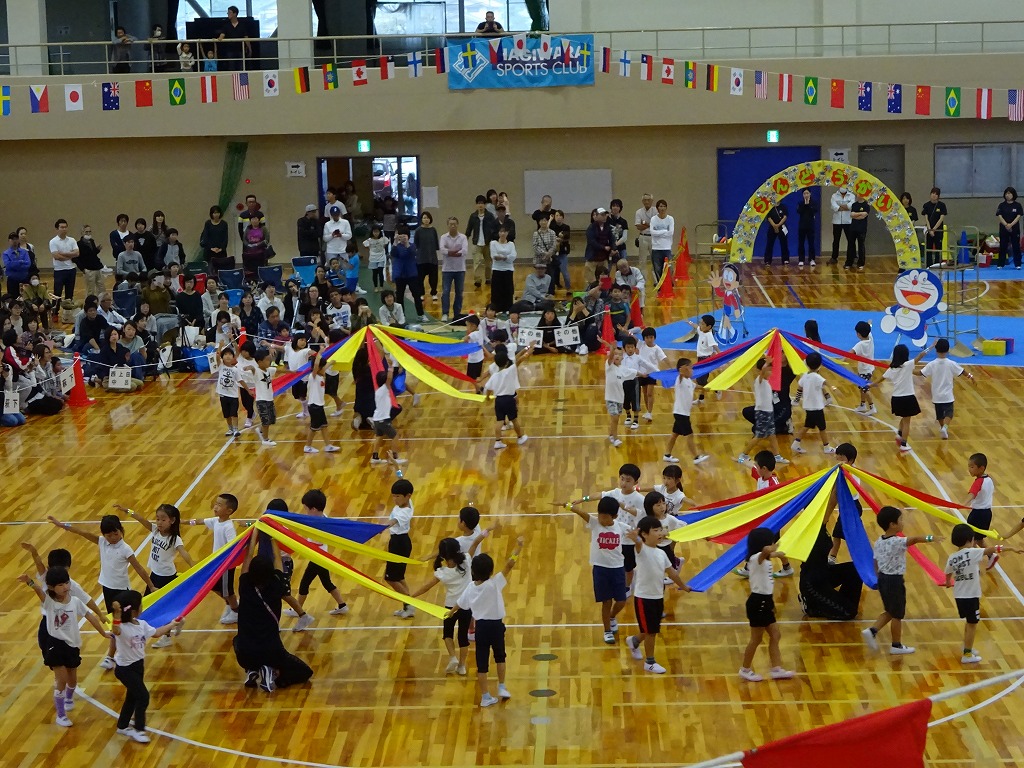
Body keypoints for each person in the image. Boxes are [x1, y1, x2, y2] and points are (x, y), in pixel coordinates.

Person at [46, 513, 155, 670]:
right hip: (107, 589)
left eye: (115, 533)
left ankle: (112, 656)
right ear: (104, 535)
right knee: (115, 625)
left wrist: (150, 585)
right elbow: (81, 532)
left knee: (120, 625)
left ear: (121, 530)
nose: (112, 538)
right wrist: (62, 525)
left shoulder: (126, 549)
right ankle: (117, 654)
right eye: (108, 535)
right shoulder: (102, 542)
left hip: (121, 592)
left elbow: (138, 567)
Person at [17, 568, 109, 728]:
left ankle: (68, 697)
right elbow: (39, 591)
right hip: (55, 644)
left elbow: (90, 617)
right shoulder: (49, 603)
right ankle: (61, 715)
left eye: (66, 583)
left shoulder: (75, 602)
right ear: (52, 587)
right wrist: (29, 581)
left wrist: (103, 633)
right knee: (62, 679)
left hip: (72, 645)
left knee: (72, 680)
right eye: (60, 584)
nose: (65, 587)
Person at [234, 533, 314, 692]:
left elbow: (248, 558)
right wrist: (273, 537)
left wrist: (254, 538)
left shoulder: (245, 585)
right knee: (305, 672)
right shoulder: (276, 584)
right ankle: (271, 671)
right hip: (271, 650)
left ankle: (252, 669)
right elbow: (278, 561)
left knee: (238, 641)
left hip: (244, 650)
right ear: (271, 571)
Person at [453, 537, 526, 707]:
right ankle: (501, 686)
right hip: (496, 626)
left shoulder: (471, 588)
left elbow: (459, 604)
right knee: (500, 656)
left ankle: (485, 696)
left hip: (481, 629)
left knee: (482, 663)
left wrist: (449, 613)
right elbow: (509, 565)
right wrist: (518, 548)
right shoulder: (494, 584)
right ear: (490, 571)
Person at [861, 506, 942, 655]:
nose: (903, 522)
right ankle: (896, 645)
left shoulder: (879, 541)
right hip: (894, 581)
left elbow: (875, 562)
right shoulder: (897, 542)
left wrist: (879, 578)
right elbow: (915, 539)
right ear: (893, 524)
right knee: (897, 614)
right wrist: (931, 538)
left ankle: (873, 630)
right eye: (900, 520)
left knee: (890, 611)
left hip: (883, 579)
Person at [109, 592, 181, 743]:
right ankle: (139, 729)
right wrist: (116, 613)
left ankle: (122, 726)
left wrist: (172, 624)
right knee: (143, 696)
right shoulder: (121, 627)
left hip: (138, 666)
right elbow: (115, 630)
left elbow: (155, 633)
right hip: (125, 669)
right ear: (134, 610)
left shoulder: (141, 624)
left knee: (132, 697)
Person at [944, 524, 1019, 664]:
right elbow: (992, 549)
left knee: (969, 622)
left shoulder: (952, 557)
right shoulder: (973, 552)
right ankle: (967, 654)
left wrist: (948, 582)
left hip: (959, 596)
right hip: (971, 596)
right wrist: (1011, 548)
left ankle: (967, 648)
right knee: (973, 624)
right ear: (970, 539)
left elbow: (948, 572)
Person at [625, 517, 691, 674]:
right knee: (651, 631)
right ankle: (650, 662)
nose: (660, 533)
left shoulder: (662, 553)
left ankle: (633, 641)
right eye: (655, 530)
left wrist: (683, 586)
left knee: (651, 628)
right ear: (645, 535)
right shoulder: (640, 550)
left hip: (657, 597)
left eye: (660, 529)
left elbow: (672, 573)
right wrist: (636, 539)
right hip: (643, 597)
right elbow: (639, 544)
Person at [566, 495, 627, 644]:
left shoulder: (621, 527)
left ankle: (612, 616)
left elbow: (638, 532)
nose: (601, 519)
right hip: (600, 569)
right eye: (599, 515)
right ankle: (607, 630)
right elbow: (583, 514)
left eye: (605, 517)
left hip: (618, 568)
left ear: (614, 516)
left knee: (621, 601)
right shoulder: (595, 524)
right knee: (606, 601)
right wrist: (569, 507)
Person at [409, 538, 473, 675]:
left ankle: (452, 657)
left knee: (447, 634)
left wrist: (411, 597)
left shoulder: (442, 573)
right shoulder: (467, 560)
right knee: (463, 637)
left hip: (450, 608)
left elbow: (426, 587)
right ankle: (462, 666)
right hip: (467, 606)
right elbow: (474, 544)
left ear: (443, 555)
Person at [738, 527, 794, 682]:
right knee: (756, 639)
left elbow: (771, 553)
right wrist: (774, 548)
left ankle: (776, 668)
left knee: (775, 635)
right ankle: (745, 669)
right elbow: (766, 552)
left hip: (765, 601)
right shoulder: (756, 558)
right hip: (758, 603)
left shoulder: (763, 558)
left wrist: (780, 553)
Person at [186, 494, 240, 623]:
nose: (215, 507)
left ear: (229, 511)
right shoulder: (216, 521)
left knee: (228, 591)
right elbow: (200, 521)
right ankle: (231, 604)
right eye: (216, 503)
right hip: (216, 563)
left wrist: (225, 561)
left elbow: (233, 546)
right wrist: (182, 522)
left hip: (226, 565)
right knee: (213, 586)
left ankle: (236, 611)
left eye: (219, 505)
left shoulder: (228, 527)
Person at [736, 358, 790, 465]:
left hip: (768, 412)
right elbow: (762, 372)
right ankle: (743, 455)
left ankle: (777, 456)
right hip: (762, 413)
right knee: (759, 436)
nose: (771, 372)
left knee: (772, 435)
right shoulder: (759, 381)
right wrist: (767, 363)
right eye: (769, 370)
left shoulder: (767, 382)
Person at [917, 338, 974, 438]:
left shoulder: (932, 364)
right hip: (947, 395)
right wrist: (971, 376)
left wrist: (908, 371)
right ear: (948, 350)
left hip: (936, 395)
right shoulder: (951, 363)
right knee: (949, 413)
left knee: (939, 415)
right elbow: (962, 371)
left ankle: (943, 428)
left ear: (936, 349)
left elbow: (921, 373)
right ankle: (945, 428)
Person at [480, 342, 532, 449]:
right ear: (506, 362)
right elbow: (519, 360)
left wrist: (487, 397)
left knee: (499, 421)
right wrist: (528, 351)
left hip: (498, 401)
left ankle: (498, 441)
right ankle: (520, 437)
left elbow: (488, 388)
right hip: (509, 399)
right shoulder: (510, 370)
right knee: (514, 419)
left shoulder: (494, 376)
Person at [662, 357, 710, 464]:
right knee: (690, 434)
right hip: (680, 413)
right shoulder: (680, 380)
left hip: (684, 413)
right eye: (691, 368)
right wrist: (681, 372)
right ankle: (696, 457)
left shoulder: (689, 381)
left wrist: (706, 388)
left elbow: (697, 386)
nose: (692, 370)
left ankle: (667, 455)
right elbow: (680, 377)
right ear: (684, 369)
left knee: (674, 434)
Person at [874, 343, 919, 453]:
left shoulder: (891, 369)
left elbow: (881, 379)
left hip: (896, 398)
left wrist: (871, 384)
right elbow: (920, 356)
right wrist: (931, 347)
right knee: (907, 421)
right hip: (907, 397)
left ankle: (899, 434)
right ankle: (903, 444)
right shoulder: (908, 365)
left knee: (904, 418)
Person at [790, 352, 835, 455]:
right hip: (816, 407)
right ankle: (827, 447)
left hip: (808, 406)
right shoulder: (817, 377)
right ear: (819, 365)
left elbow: (799, 388)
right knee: (822, 427)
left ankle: (796, 443)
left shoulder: (805, 376)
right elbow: (825, 382)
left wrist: (796, 400)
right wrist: (834, 388)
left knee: (807, 425)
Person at [384, 478, 417, 617]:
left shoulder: (404, 512)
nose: (394, 499)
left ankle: (409, 604)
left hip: (399, 544)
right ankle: (407, 606)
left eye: (397, 496)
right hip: (400, 542)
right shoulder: (408, 501)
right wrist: (396, 466)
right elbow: (401, 478)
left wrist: (379, 528)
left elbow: (393, 522)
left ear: (407, 496)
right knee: (399, 577)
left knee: (390, 578)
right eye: (393, 496)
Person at [304, 350, 340, 454]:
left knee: (324, 426)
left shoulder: (320, 376)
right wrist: (318, 357)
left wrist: (330, 363)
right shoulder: (313, 377)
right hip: (314, 406)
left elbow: (322, 368)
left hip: (319, 406)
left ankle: (328, 445)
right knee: (314, 427)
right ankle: (307, 446)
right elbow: (316, 367)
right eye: (322, 367)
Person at [964, 452, 997, 567]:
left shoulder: (979, 481)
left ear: (981, 468)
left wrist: (962, 504)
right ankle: (991, 555)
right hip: (987, 513)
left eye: (972, 467)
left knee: (971, 540)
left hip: (977, 514)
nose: (969, 469)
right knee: (979, 539)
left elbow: (972, 494)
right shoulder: (989, 479)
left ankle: (974, 565)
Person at [370, 369, 406, 466]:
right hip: (383, 420)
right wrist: (391, 367)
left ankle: (375, 457)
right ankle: (394, 458)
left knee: (379, 437)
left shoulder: (378, 391)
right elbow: (389, 378)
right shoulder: (384, 389)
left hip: (376, 419)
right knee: (395, 436)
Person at [604, 346, 637, 448]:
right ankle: (615, 438)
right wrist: (611, 348)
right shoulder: (609, 366)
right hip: (611, 398)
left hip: (619, 398)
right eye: (615, 354)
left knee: (616, 419)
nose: (617, 356)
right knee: (614, 418)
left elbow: (634, 373)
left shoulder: (623, 369)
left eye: (620, 354)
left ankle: (611, 434)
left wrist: (645, 374)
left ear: (623, 357)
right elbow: (609, 359)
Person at [439, 217, 468, 321]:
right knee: (445, 291)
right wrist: (455, 252)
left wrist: (450, 252)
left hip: (460, 269)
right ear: (448, 225)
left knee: (459, 292)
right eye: (450, 224)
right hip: (447, 269)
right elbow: (442, 250)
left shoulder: (463, 237)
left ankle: (457, 314)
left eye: (454, 224)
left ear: (457, 224)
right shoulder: (443, 237)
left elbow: (464, 251)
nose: (452, 226)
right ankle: (445, 313)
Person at [466, 195, 497, 289]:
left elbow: (494, 229)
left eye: (482, 203)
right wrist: (464, 240)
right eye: (478, 203)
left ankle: (488, 278)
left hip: (487, 243)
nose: (480, 205)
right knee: (477, 263)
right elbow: (469, 229)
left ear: (485, 205)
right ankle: (477, 280)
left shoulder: (489, 216)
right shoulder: (473, 216)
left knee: (488, 263)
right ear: (476, 205)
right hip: (476, 243)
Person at [49, 219, 80, 303]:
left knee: (70, 293)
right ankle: (55, 313)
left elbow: (77, 253)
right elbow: (56, 256)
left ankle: (68, 312)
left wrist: (63, 253)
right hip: (59, 270)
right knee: (57, 293)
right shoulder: (53, 241)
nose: (64, 229)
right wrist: (70, 255)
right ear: (57, 229)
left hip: (71, 269)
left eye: (65, 227)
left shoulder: (72, 240)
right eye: (62, 227)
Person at [489, 226, 517, 312]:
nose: (502, 234)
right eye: (501, 232)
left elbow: (513, 256)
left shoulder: (511, 244)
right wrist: (506, 257)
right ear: (498, 233)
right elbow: (494, 256)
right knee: (496, 291)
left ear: (507, 233)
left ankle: (508, 310)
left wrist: (502, 256)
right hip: (497, 270)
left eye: (504, 232)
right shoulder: (493, 243)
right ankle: (496, 310)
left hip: (508, 270)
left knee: (508, 291)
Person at [216, 5, 252, 71]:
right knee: (231, 67)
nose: (228, 14)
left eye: (229, 12)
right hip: (230, 51)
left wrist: (249, 48)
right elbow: (222, 35)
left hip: (240, 50)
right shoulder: (226, 25)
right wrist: (219, 38)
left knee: (241, 67)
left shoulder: (242, 25)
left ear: (235, 14)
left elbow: (246, 37)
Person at [414, 211, 440, 302]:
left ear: (430, 219)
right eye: (424, 218)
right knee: (420, 278)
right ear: (421, 219)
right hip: (421, 259)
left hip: (432, 258)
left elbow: (436, 244)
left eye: (427, 218)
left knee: (433, 278)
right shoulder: (418, 230)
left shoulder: (433, 230)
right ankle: (421, 293)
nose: (426, 219)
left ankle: (434, 293)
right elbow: (416, 244)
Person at [852, 320, 877, 415]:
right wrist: (869, 323)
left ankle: (872, 407)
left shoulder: (860, 345)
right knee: (862, 387)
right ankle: (862, 405)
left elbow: (850, 353)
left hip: (865, 371)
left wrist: (840, 362)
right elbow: (869, 328)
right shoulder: (870, 337)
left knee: (865, 388)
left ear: (858, 334)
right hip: (868, 369)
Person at [995, 186, 1023, 270]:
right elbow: (999, 216)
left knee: (1016, 246)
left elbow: (1018, 216)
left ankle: (1018, 264)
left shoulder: (1017, 205)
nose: (1008, 195)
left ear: (1013, 195)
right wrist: (1006, 225)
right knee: (1003, 246)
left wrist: (1011, 225)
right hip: (1004, 228)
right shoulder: (1001, 205)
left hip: (1014, 228)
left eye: (1010, 193)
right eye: (1006, 193)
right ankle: (1000, 264)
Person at [253, 348, 277, 445]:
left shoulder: (269, 370)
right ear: (259, 362)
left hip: (269, 399)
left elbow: (280, 370)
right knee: (265, 420)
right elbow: (252, 368)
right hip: (261, 400)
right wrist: (250, 367)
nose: (269, 361)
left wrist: (295, 372)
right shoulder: (257, 371)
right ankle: (265, 440)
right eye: (267, 360)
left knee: (271, 419)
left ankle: (261, 431)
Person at [648, 199, 674, 284]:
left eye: (663, 206)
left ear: (666, 208)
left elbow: (671, 232)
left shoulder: (670, 219)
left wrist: (659, 233)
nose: (662, 208)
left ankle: (669, 283)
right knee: (657, 268)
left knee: (668, 267)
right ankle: (659, 284)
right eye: (660, 206)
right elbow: (652, 232)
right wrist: (664, 231)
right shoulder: (653, 219)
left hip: (667, 247)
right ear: (657, 208)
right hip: (656, 247)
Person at [586, 207, 616, 280]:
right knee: (591, 280)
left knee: (605, 278)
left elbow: (612, 238)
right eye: (602, 215)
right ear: (596, 216)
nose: (604, 217)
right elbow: (592, 242)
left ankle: (605, 291)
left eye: (605, 215)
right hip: (592, 257)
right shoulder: (591, 228)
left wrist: (613, 248)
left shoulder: (607, 227)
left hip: (603, 257)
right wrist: (603, 247)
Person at [75, 225, 105, 298]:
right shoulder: (79, 244)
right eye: (86, 232)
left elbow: (92, 254)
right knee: (90, 291)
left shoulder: (92, 241)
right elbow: (76, 258)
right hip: (88, 270)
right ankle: (89, 307)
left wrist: (97, 250)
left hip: (98, 267)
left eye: (89, 231)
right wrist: (83, 269)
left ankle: (101, 305)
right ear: (82, 233)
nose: (88, 233)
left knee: (102, 289)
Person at [922, 187, 948, 266]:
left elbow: (941, 218)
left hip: (938, 231)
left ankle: (937, 265)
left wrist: (934, 229)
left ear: (938, 196)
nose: (934, 195)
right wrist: (930, 229)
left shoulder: (942, 205)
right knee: (928, 249)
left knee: (938, 249)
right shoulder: (926, 205)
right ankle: (928, 265)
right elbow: (926, 218)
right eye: (933, 193)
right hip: (929, 231)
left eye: (936, 194)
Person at [200, 205, 231, 273]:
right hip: (209, 251)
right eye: (214, 213)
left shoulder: (224, 224)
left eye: (217, 212)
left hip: (221, 252)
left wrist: (221, 248)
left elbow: (225, 237)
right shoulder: (208, 223)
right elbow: (205, 237)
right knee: (209, 271)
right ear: (211, 214)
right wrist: (211, 248)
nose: (216, 214)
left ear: (220, 213)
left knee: (221, 271)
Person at [829, 186, 855, 265]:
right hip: (837, 221)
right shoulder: (834, 196)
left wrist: (840, 206)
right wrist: (845, 206)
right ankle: (834, 257)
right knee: (836, 240)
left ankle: (852, 257)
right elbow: (834, 207)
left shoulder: (852, 195)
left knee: (851, 240)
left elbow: (851, 206)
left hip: (848, 221)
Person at [3, 231, 32, 297]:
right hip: (12, 280)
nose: (14, 241)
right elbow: (8, 265)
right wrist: (20, 262)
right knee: (13, 299)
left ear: (18, 240)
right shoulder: (6, 253)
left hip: (24, 279)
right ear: (9, 241)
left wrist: (14, 264)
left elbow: (28, 264)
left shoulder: (24, 252)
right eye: (12, 239)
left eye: (16, 239)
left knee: (26, 298)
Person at [796, 189, 818, 268]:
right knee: (801, 244)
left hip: (810, 226)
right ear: (802, 195)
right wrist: (805, 204)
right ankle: (801, 260)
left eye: (807, 193)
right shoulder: (800, 203)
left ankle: (812, 259)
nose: (806, 195)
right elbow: (799, 211)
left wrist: (808, 204)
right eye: (804, 193)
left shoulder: (813, 203)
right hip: (802, 226)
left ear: (810, 194)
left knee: (811, 243)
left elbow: (814, 211)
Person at [847, 194, 870, 271]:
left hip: (862, 229)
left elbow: (864, 215)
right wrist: (859, 214)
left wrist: (856, 215)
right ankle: (849, 262)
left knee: (861, 246)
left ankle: (861, 263)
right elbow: (852, 215)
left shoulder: (866, 205)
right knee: (850, 245)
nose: (858, 195)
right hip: (853, 228)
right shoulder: (854, 204)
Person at [365, 224, 390, 292]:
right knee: (374, 273)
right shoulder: (369, 240)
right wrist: (371, 250)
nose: (376, 233)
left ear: (380, 232)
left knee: (380, 271)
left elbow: (387, 242)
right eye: (374, 232)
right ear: (372, 232)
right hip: (373, 258)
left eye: (377, 232)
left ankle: (381, 286)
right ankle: (375, 286)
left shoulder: (383, 238)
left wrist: (382, 248)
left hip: (381, 257)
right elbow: (365, 244)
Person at [763, 201, 789, 267]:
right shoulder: (770, 207)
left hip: (781, 227)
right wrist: (774, 226)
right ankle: (767, 260)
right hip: (772, 227)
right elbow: (769, 217)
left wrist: (778, 225)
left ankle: (785, 259)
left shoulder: (783, 206)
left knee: (784, 244)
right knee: (769, 244)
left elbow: (785, 216)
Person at [634, 193, 656, 268]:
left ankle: (657, 279)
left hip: (654, 237)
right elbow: (638, 226)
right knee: (642, 260)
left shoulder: (656, 211)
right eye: (645, 200)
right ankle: (642, 279)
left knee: (655, 260)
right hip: (643, 237)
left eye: (648, 200)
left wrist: (644, 223)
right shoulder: (639, 212)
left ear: (652, 201)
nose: (646, 202)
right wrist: (650, 225)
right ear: (642, 201)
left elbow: (657, 225)